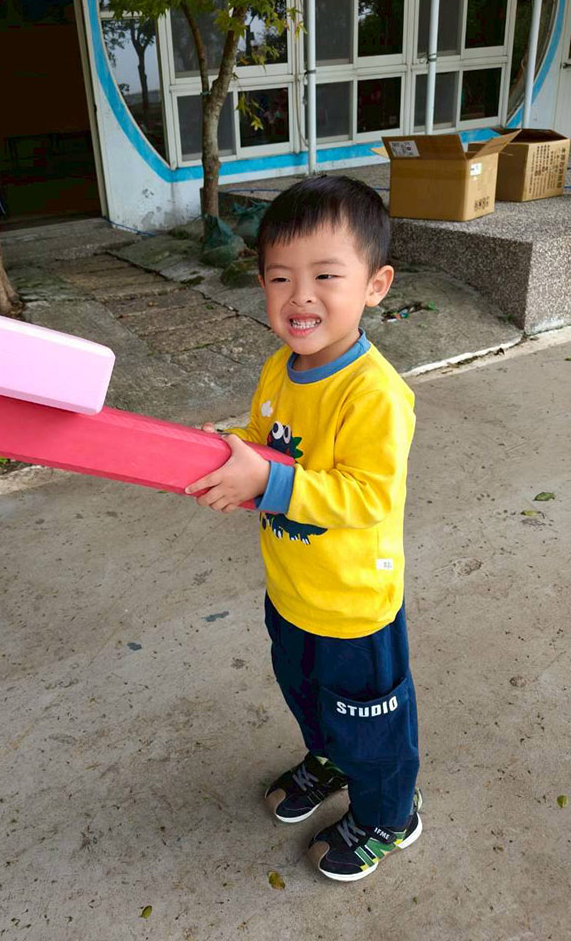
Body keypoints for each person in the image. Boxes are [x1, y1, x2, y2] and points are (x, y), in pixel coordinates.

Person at [185, 176, 421, 882]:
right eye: (280, 277)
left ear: (375, 285)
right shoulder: (280, 369)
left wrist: (268, 482)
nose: (300, 296)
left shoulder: (374, 393)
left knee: (371, 721)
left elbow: (368, 494)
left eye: (325, 275)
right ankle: (329, 758)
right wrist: (230, 452)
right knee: (306, 691)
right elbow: (268, 443)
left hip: (354, 606)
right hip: (291, 589)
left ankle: (390, 813)